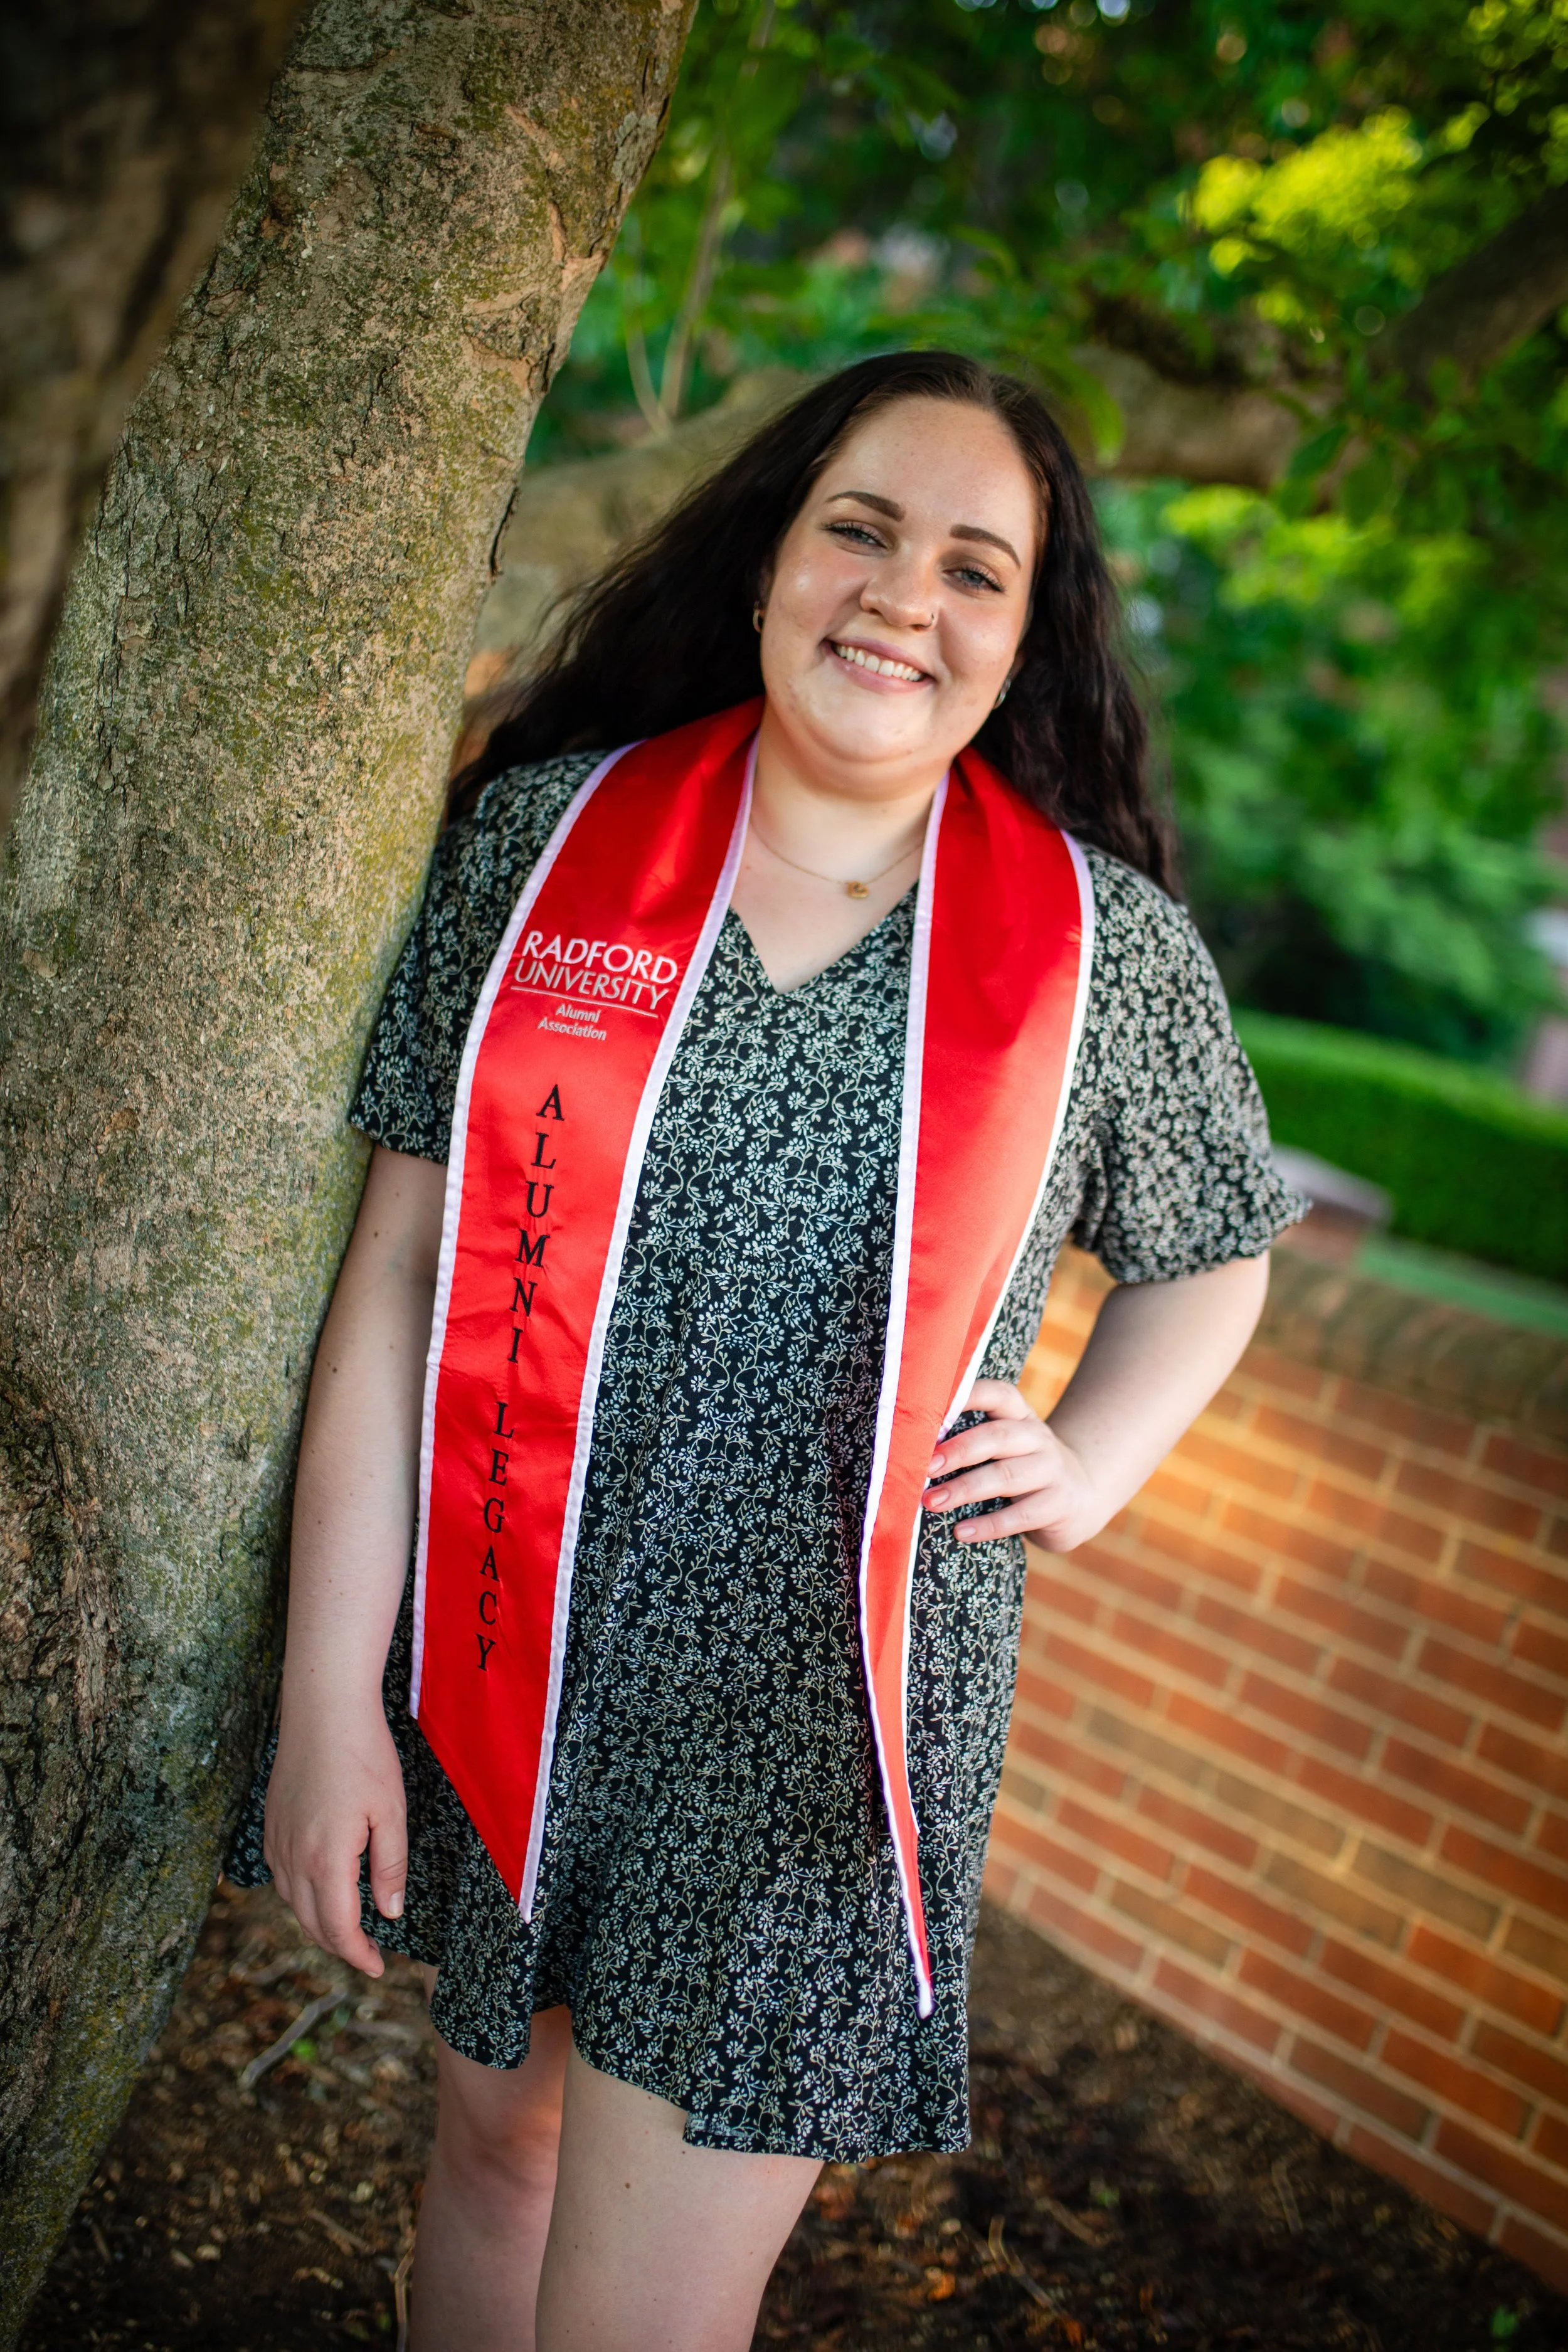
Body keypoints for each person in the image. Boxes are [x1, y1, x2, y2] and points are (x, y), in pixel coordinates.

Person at [229, 350, 1301, 2352]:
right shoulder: (544, 845)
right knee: (492, 2160)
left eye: (975, 567)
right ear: (765, 562)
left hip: (824, 1741)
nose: (905, 593)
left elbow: (1214, 1251)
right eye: (860, 528)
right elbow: (392, 1278)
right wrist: (322, 1699)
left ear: (1021, 642)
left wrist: (1095, 1456)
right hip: (503, 1653)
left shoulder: (1098, 954)